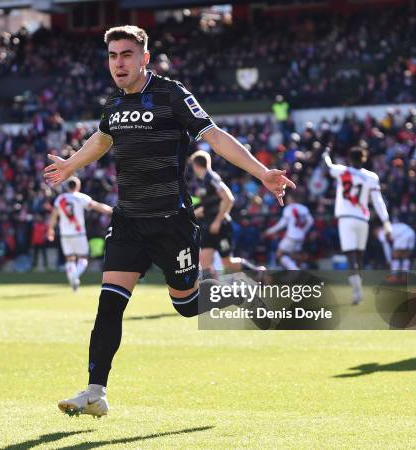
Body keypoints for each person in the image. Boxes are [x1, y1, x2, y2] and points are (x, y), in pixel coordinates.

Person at [45, 25, 295, 417]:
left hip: (171, 222)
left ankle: (244, 286)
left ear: (145, 58)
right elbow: (102, 138)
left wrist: (262, 172)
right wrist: (70, 163)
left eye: (126, 54)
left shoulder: (171, 94)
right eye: (112, 56)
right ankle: (96, 391)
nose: (119, 63)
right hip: (128, 221)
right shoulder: (113, 105)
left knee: (187, 304)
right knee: (108, 305)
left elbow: (214, 135)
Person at [324, 146, 392, 305]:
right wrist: (386, 221)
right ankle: (358, 286)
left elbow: (327, 166)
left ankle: (357, 291)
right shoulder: (371, 177)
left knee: (350, 255)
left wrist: (326, 155)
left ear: (349, 158)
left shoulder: (342, 170)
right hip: (362, 218)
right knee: (360, 256)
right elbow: (378, 201)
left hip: (346, 218)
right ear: (364, 159)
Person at [189, 150, 265, 279]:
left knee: (227, 263)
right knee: (204, 262)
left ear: (196, 165)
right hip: (208, 226)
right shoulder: (203, 181)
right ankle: (212, 291)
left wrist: (217, 221)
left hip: (220, 226)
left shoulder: (211, 178)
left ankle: (258, 272)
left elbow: (229, 198)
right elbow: (209, 206)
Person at [47, 176, 113, 290]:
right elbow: (97, 206)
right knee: (83, 258)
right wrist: (112, 210)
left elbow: (54, 216)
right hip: (79, 233)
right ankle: (74, 276)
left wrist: (50, 229)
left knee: (69, 258)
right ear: (78, 186)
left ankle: (73, 280)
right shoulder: (81, 197)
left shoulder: (60, 199)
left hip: (65, 234)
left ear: (67, 187)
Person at [262, 194, 314, 270]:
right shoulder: (304, 208)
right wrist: (303, 231)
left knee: (279, 254)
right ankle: (300, 268)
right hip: (300, 236)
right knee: (293, 255)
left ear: (292, 199)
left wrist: (269, 231)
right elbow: (310, 221)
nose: (287, 201)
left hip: (291, 236)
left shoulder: (288, 209)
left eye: (288, 199)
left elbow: (282, 224)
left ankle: (293, 269)